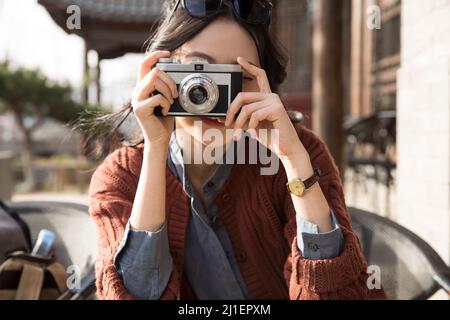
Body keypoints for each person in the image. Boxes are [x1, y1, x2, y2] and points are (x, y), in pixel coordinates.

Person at [88, 0, 385, 300]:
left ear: (263, 84)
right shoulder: (121, 177)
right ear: (161, 70)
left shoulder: (300, 151)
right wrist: (155, 150)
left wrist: (294, 161)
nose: (216, 96)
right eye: (201, 73)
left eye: (238, 78)